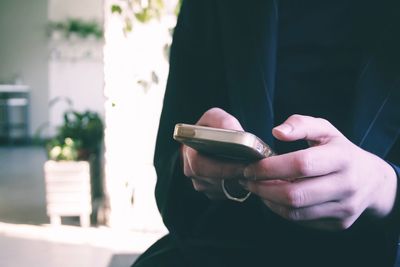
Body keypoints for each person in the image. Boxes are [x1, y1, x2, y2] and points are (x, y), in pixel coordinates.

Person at [132, 1, 400, 266]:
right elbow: (171, 173)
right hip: (229, 243)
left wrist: (384, 187)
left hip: (377, 249)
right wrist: (198, 165)